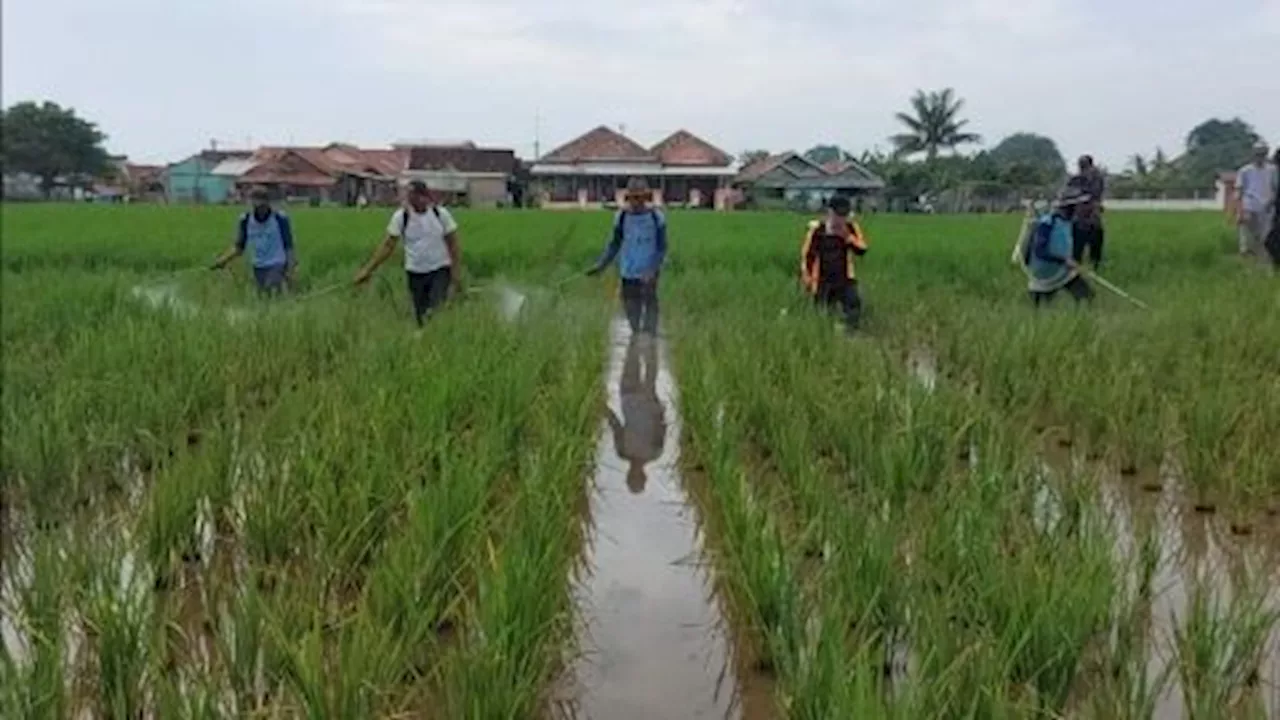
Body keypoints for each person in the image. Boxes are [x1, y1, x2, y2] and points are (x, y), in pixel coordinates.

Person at [354, 180, 461, 326]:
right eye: (409, 195)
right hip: (415, 272)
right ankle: (424, 341)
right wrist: (368, 270)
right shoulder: (401, 217)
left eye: (415, 195)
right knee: (421, 315)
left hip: (439, 269)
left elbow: (453, 244)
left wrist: (455, 274)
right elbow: (388, 246)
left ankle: (436, 336)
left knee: (435, 310)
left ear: (425, 196)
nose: (411, 200)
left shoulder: (440, 215)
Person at [586, 177, 667, 335]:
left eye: (640, 197)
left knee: (650, 310)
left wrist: (652, 270)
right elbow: (614, 244)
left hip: (649, 273)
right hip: (628, 271)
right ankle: (636, 342)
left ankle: (650, 345)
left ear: (646, 197)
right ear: (628, 197)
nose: (636, 202)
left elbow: (662, 248)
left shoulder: (657, 217)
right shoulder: (621, 217)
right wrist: (601, 266)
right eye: (633, 198)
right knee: (631, 312)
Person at [605, 333, 665, 495]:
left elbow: (616, 426)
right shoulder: (655, 453)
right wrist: (656, 405)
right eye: (637, 476)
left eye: (633, 476)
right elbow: (661, 424)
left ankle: (637, 336)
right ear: (644, 476)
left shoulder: (623, 452)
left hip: (630, 396)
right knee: (649, 367)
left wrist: (604, 409)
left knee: (632, 359)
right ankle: (646, 338)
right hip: (643, 399)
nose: (635, 472)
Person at [211, 186, 296, 295]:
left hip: (277, 263)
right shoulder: (245, 219)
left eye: (262, 204)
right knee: (262, 296)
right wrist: (223, 261)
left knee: (271, 290)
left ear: (267, 203)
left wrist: (291, 268)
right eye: (255, 204)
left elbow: (288, 245)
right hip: (258, 265)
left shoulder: (280, 218)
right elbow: (239, 247)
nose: (260, 209)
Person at [801, 195, 868, 332]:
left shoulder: (851, 228)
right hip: (822, 279)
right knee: (823, 313)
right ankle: (827, 336)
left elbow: (862, 249)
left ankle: (850, 333)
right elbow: (808, 256)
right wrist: (808, 279)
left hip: (845, 277)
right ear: (830, 212)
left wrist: (847, 237)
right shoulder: (817, 230)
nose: (841, 219)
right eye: (838, 214)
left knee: (854, 305)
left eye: (844, 215)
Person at [1022, 187, 1094, 307]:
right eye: (1079, 206)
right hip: (1045, 271)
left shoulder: (1067, 223)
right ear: (1071, 207)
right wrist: (1063, 260)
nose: (1081, 209)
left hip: (1061, 269)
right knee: (1040, 308)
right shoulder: (1047, 223)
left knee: (1085, 297)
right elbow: (1040, 251)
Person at [1235, 142, 1277, 259]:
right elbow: (1239, 191)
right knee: (1247, 237)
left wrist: (1272, 201)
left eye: (1263, 153)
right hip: (1249, 206)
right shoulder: (1245, 171)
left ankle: (1262, 261)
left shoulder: (1272, 170)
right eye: (1258, 153)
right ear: (1253, 154)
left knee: (1264, 237)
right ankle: (1246, 259)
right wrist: (1240, 211)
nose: (1260, 156)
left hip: (1266, 207)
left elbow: (1275, 188)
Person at [1067, 155, 1106, 267]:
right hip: (1087, 217)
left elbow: (1094, 194)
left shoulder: (1091, 178)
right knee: (1087, 248)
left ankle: (1085, 266)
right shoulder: (1081, 178)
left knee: (1081, 248)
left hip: (1086, 217)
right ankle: (1090, 266)